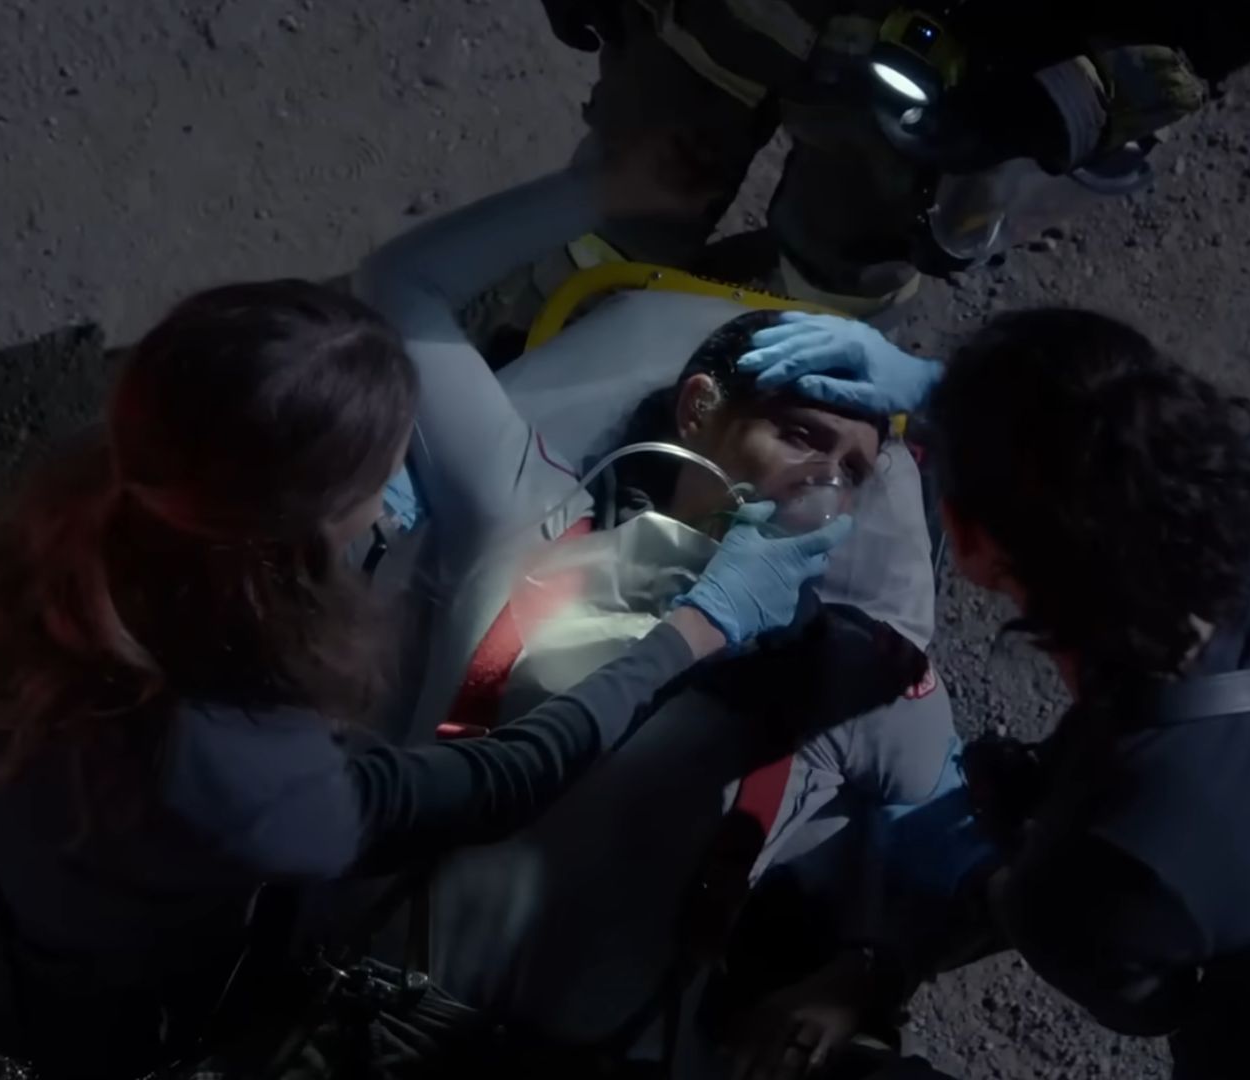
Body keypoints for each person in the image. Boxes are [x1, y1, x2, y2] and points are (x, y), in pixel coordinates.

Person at [0, 280, 849, 1077]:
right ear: (309, 519)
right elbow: (505, 779)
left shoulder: (103, 496)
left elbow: (402, 279)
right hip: (97, 1003)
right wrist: (698, 627)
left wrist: (592, 186)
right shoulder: (253, 776)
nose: (400, 480)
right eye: (385, 467)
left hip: (2, 860)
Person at [729, 309, 1250, 1079]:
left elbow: (1151, 1002)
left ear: (968, 544)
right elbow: (1106, 428)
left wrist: (877, 964)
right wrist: (938, 391)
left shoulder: (1118, 852)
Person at [351, 156, 963, 1056]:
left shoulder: (852, 681)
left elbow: (970, 848)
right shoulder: (525, 511)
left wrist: (862, 976)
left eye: (854, 470)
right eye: (799, 434)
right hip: (363, 1021)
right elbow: (397, 289)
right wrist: (601, 187)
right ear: (699, 409)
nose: (823, 480)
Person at [538, 0, 1250, 314]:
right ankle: (544, 339)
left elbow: (1222, 22)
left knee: (822, 293)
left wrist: (1057, 102)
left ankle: (748, 422)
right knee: (611, 222)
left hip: (956, 92)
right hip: (714, 24)